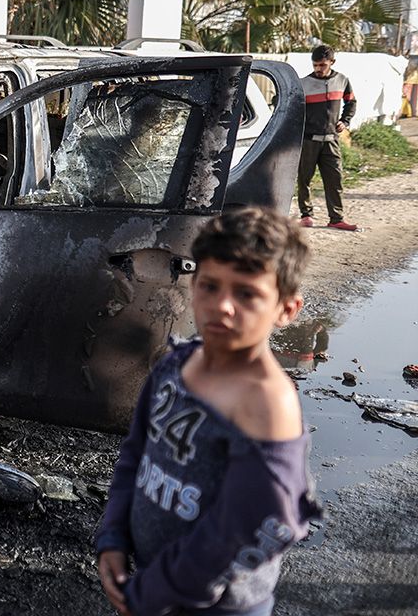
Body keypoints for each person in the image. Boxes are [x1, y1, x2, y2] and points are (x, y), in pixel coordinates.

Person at [94, 207, 322, 616]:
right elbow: (135, 454)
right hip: (153, 583)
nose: (223, 307)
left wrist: (150, 596)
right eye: (210, 286)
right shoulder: (174, 365)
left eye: (247, 293)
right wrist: (112, 538)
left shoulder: (265, 404)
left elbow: (243, 531)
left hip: (217, 604)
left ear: (287, 309)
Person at [297, 45, 357, 231]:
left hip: (331, 140)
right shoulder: (303, 83)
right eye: (315, 65)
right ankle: (306, 216)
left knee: (334, 180)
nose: (318, 69)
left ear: (332, 62)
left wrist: (345, 121)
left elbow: (351, 102)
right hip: (308, 140)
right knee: (304, 179)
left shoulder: (342, 80)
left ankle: (336, 218)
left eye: (322, 65)